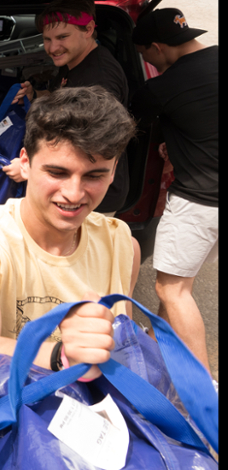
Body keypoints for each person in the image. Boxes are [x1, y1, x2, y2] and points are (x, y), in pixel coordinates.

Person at [0, 86, 140, 433]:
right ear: (24, 162)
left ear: (113, 172)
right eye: (57, 172)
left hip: (75, 429)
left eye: (94, 175)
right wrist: (63, 357)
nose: (73, 193)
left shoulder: (121, 245)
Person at [130, 9, 218, 372]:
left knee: (171, 290)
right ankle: (159, 346)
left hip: (200, 202)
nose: (146, 62)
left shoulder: (164, 86)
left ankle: (199, 390)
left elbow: (126, 118)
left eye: (144, 55)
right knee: (179, 278)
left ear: (156, 47)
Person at [5, 0, 130, 216]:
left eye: (63, 37)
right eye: (47, 39)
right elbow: (63, 103)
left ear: (89, 29)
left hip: (88, 199)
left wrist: (30, 168)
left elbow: (91, 147)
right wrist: (35, 96)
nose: (52, 48)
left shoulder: (99, 79)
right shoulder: (73, 63)